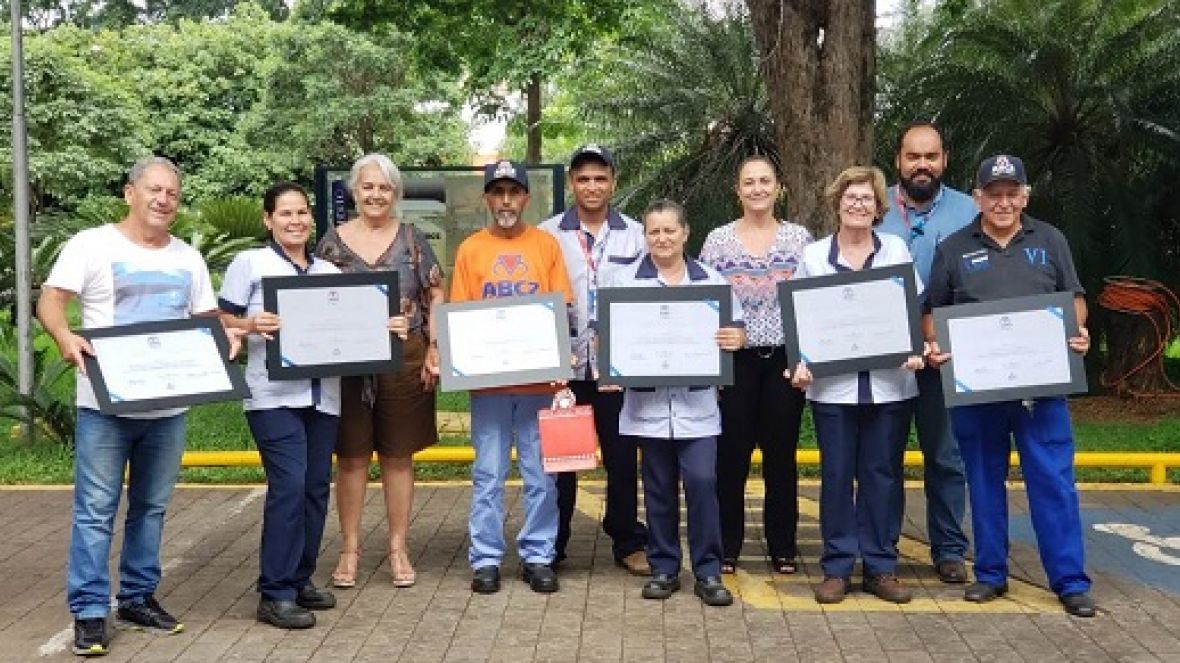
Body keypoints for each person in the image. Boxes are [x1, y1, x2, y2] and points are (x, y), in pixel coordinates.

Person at [37, 157, 225, 656]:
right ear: (129, 193)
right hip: (103, 404)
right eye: (154, 190)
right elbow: (51, 300)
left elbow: (206, 317)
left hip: (167, 408)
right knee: (95, 511)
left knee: (151, 508)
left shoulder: (188, 257)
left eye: (173, 194)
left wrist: (225, 339)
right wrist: (63, 336)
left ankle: (138, 597)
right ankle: (91, 611)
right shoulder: (92, 244)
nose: (164, 200)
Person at [218, 183, 410, 628]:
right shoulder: (250, 263)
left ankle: (301, 578)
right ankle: (276, 592)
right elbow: (220, 317)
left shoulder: (328, 269)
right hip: (272, 395)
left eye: (302, 212)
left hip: (323, 395)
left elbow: (354, 323)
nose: (295, 221)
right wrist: (248, 323)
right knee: (288, 486)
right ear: (268, 220)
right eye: (285, 213)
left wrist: (389, 325)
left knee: (315, 487)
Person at [924, 155, 1096, 617]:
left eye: (1011, 192)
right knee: (982, 480)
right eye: (993, 193)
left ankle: (1070, 580)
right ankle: (991, 574)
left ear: (1024, 195)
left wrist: (1077, 332)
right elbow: (932, 310)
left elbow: (1075, 299)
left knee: (1054, 481)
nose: (1002, 202)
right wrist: (935, 345)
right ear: (978, 197)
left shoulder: (1051, 239)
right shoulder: (954, 247)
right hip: (978, 390)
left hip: (1042, 389)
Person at [788, 166, 923, 605]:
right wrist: (800, 363)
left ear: (879, 206)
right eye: (851, 198)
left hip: (889, 386)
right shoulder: (813, 256)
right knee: (836, 475)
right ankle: (838, 567)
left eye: (867, 199)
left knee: (883, 475)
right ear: (837, 203)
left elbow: (911, 310)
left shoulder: (896, 250)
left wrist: (914, 346)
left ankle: (881, 567)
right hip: (833, 389)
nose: (858, 205)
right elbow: (802, 319)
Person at [605, 199, 743, 607]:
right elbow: (604, 333)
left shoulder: (712, 281)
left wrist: (737, 339)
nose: (662, 239)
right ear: (644, 236)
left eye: (670, 230)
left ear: (685, 234)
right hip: (647, 409)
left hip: (697, 408)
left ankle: (708, 571)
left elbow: (734, 330)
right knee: (659, 488)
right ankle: (664, 567)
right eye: (654, 231)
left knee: (702, 482)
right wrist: (611, 360)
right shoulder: (624, 280)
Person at [315, 153, 444, 589]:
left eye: (385, 188)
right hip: (348, 364)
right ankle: (349, 549)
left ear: (396, 194)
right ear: (355, 191)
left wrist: (435, 349)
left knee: (397, 456)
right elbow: (313, 302)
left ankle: (398, 548)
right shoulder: (331, 243)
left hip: (404, 361)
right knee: (350, 458)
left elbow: (435, 294)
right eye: (368, 187)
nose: (375, 195)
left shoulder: (412, 239)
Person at [451, 160, 575, 594]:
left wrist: (561, 370)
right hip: (490, 386)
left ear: (526, 197)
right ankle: (486, 558)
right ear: (487, 198)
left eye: (513, 192)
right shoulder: (470, 249)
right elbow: (462, 318)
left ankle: (538, 556)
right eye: (497, 192)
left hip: (539, 383)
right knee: (488, 473)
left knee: (543, 474)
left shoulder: (545, 246)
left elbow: (561, 309)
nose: (505, 201)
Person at [700, 155, 812, 575]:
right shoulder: (718, 240)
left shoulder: (799, 239)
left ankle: (783, 545)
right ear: (738, 190)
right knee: (731, 456)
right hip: (736, 362)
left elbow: (810, 302)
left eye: (765, 180)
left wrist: (805, 357)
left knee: (781, 455)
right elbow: (706, 303)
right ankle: (726, 546)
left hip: (783, 361)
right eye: (749, 182)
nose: (758, 188)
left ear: (778, 187)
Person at [539, 145, 649, 574]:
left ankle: (627, 541)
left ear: (613, 182)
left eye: (600, 178)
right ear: (571, 183)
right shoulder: (548, 235)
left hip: (616, 369)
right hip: (563, 368)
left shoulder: (637, 234)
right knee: (562, 461)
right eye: (583, 179)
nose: (592, 186)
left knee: (623, 458)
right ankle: (554, 543)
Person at [877, 121, 975, 583]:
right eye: (913, 156)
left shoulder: (968, 211)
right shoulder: (876, 210)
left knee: (945, 456)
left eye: (930, 156)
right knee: (884, 458)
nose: (922, 165)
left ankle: (950, 549)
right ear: (898, 160)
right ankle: (881, 548)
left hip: (944, 356)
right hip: (888, 359)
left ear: (944, 160)